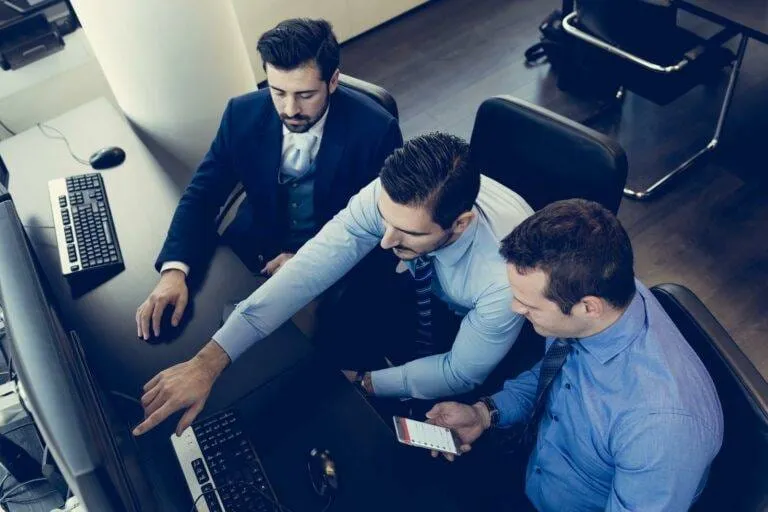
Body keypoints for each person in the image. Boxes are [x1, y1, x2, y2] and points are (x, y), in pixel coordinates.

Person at [131, 132, 534, 437]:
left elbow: (460, 372)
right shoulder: (391, 198)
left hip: (482, 326)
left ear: (460, 223)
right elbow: (306, 271)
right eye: (385, 220)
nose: (385, 241)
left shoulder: (503, 279)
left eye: (406, 232)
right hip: (421, 288)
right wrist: (208, 361)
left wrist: (366, 382)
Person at [426, 199, 724, 511]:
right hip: (530, 468)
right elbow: (555, 374)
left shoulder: (660, 427)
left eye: (529, 304)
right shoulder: (599, 295)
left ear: (588, 307)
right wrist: (485, 413)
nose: (516, 308)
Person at [136, 18, 402, 339]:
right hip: (248, 252)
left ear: (333, 81)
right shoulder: (241, 113)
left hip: (324, 268)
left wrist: (310, 264)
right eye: (278, 92)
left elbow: (381, 229)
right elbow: (202, 195)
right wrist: (173, 271)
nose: (290, 109)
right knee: (188, 330)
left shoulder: (375, 130)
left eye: (305, 95)